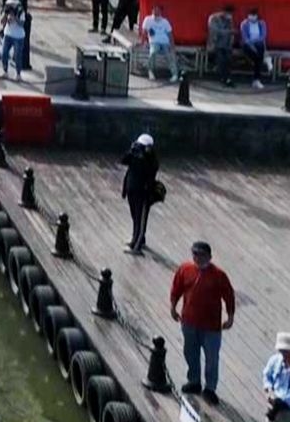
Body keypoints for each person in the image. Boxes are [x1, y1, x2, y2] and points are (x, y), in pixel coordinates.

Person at [171, 240, 237, 404]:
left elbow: (229, 296)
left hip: (211, 326)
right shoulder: (184, 269)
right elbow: (176, 288)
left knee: (211, 358)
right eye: (195, 254)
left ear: (209, 256)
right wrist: (173, 306)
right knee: (190, 353)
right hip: (189, 321)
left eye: (201, 255)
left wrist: (230, 316)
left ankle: (210, 388)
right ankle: (194, 381)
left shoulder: (219, 275)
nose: (197, 258)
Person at [119, 133, 159, 252]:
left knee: (140, 218)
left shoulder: (151, 159)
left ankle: (135, 244)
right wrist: (131, 151)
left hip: (143, 192)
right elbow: (123, 161)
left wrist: (144, 157)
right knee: (134, 216)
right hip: (132, 189)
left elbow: (152, 170)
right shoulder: (135, 155)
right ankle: (139, 239)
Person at [144, 3, 178, 81]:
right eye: (154, 9)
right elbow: (144, 31)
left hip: (165, 42)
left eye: (157, 10)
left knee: (169, 55)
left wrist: (172, 45)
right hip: (154, 41)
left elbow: (170, 34)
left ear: (160, 11)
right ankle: (150, 71)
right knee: (153, 52)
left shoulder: (165, 21)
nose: (155, 11)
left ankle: (174, 74)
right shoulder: (148, 19)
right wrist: (144, 41)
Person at [241, 7, 271, 89]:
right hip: (247, 45)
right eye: (250, 15)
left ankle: (256, 80)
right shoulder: (244, 24)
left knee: (258, 56)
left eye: (253, 15)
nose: (252, 17)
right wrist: (251, 44)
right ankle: (256, 79)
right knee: (258, 59)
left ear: (257, 16)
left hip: (259, 44)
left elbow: (263, 36)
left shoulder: (261, 23)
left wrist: (255, 41)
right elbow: (245, 38)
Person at [209, 3, 238, 87]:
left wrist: (232, 37)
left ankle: (227, 78)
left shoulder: (229, 20)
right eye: (229, 14)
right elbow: (215, 31)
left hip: (227, 45)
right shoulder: (214, 18)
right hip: (216, 44)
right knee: (221, 59)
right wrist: (229, 32)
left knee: (229, 60)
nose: (230, 16)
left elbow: (231, 30)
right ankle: (223, 78)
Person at [0, 0, 29, 79]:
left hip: (18, 36)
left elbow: (22, 24)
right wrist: (5, 17)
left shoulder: (21, 12)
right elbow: (2, 22)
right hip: (8, 34)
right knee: (4, 53)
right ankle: (5, 71)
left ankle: (18, 74)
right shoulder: (7, 11)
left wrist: (15, 18)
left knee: (17, 56)